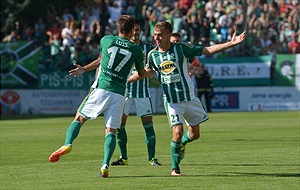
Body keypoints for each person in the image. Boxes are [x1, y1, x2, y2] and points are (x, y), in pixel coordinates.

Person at [48, 15, 154, 178]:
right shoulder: (136, 50)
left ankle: (67, 143)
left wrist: (83, 69)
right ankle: (105, 164)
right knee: (111, 130)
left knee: (79, 118)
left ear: (118, 28)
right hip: (119, 94)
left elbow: (102, 59)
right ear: (132, 29)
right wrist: (149, 73)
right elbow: (140, 73)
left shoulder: (106, 40)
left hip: (101, 88)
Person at [135, 21, 245, 176]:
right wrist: (131, 78)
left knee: (194, 135)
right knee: (178, 131)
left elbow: (207, 50)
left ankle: (183, 144)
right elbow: (148, 72)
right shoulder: (153, 55)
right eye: (155, 34)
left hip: (189, 98)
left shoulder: (181, 48)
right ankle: (175, 168)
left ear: (168, 34)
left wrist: (231, 43)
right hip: (171, 100)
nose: (156, 38)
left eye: (160, 35)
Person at [110, 19, 161, 166]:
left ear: (141, 31)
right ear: (130, 30)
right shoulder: (122, 46)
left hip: (142, 93)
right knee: (119, 125)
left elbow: (155, 66)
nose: (136, 32)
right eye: (134, 29)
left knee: (148, 126)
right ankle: (123, 157)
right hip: (124, 93)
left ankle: (152, 158)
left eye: (138, 30)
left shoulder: (148, 49)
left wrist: (151, 73)